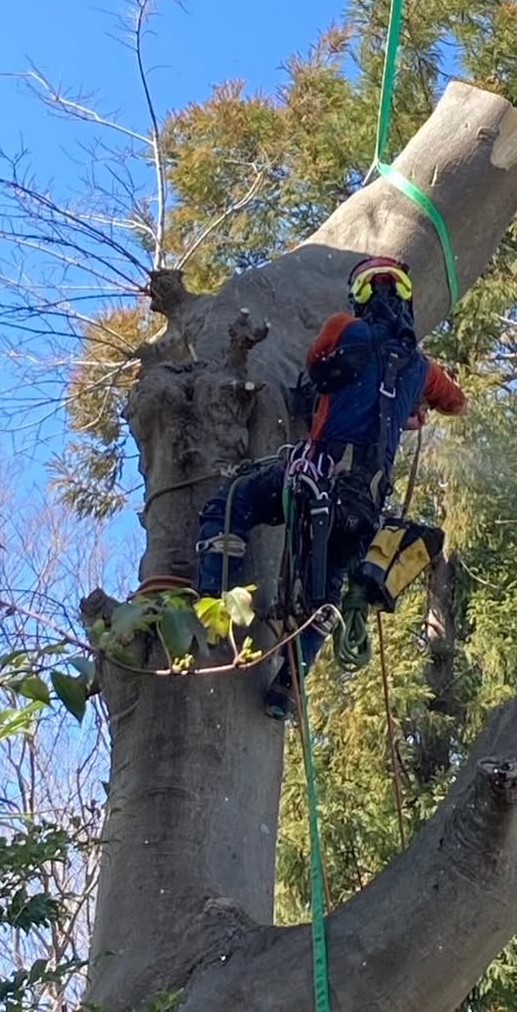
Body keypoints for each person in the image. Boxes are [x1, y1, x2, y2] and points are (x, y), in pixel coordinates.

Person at [194, 255, 466, 717]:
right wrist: (413, 401)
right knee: (330, 587)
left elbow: (318, 364)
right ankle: (288, 690)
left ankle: (215, 606)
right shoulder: (422, 367)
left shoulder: (344, 328)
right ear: (406, 299)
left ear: (361, 296)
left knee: (230, 504)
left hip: (317, 478)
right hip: (365, 506)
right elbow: (457, 403)